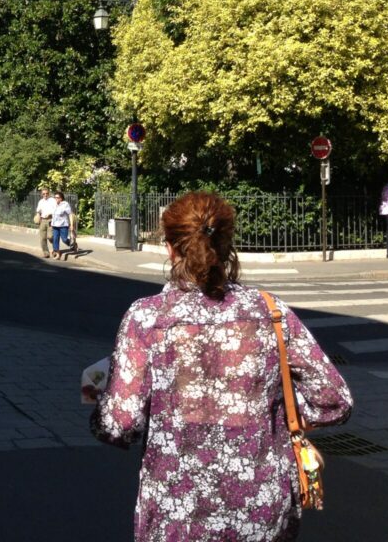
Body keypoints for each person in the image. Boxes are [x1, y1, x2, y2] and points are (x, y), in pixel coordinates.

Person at [87, 191, 352, 541]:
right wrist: (270, 410)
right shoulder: (271, 312)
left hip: (178, 506)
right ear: (227, 245)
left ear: (169, 247)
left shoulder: (147, 318)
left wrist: (101, 401)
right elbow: (334, 399)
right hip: (260, 505)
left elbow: (120, 425)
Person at [50, 191, 76, 259]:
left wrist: (72, 225)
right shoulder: (53, 204)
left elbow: (70, 214)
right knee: (55, 239)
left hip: (63, 225)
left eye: (58, 198)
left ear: (61, 198)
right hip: (55, 225)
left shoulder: (65, 204)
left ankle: (72, 244)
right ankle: (58, 253)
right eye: (55, 197)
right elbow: (53, 214)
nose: (56, 199)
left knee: (64, 239)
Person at [34, 188, 56, 258]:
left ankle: (55, 249)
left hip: (50, 220)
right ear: (41, 194)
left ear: (49, 193)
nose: (45, 195)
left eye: (46, 193)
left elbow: (56, 209)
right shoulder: (41, 201)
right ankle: (46, 253)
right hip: (42, 220)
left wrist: (50, 214)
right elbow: (38, 210)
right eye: (43, 194)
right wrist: (38, 215)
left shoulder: (52, 200)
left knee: (50, 237)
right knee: (42, 238)